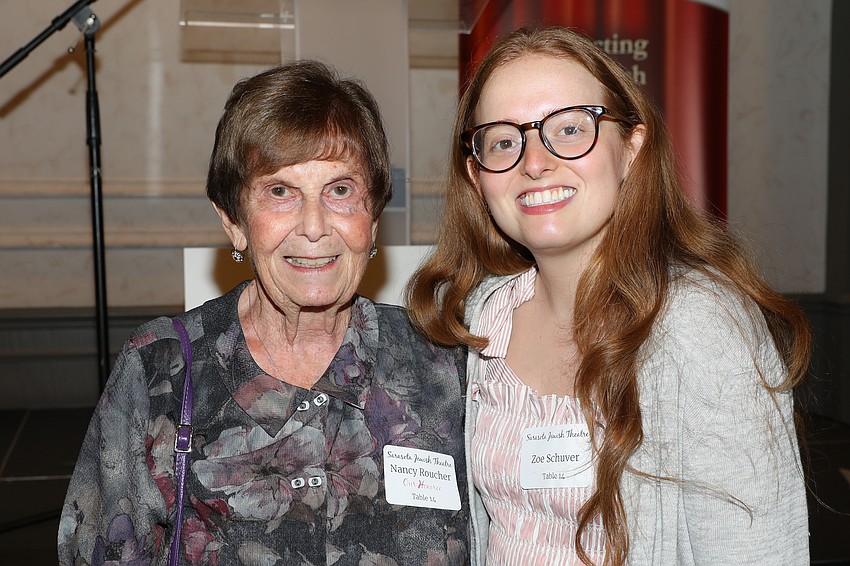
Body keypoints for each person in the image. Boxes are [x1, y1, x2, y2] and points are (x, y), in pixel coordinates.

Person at [407, 26, 811, 565]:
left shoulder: (701, 327)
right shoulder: (483, 320)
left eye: (570, 129)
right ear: (477, 176)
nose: (534, 162)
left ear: (632, 149)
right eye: (504, 140)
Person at [59, 60, 469, 566]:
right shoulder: (161, 371)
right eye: (280, 192)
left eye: (340, 190)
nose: (314, 227)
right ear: (233, 222)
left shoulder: (442, 366)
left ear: (374, 218)